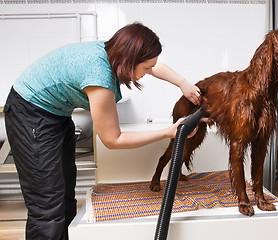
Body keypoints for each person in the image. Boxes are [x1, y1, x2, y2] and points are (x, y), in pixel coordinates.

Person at [4, 22, 200, 240]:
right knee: (48, 203)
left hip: (54, 115)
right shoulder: (99, 76)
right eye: (145, 69)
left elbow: (153, 65)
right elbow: (113, 139)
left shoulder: (114, 51)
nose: (147, 73)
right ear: (130, 61)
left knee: (65, 193)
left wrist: (182, 83)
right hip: (29, 114)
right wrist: (167, 132)